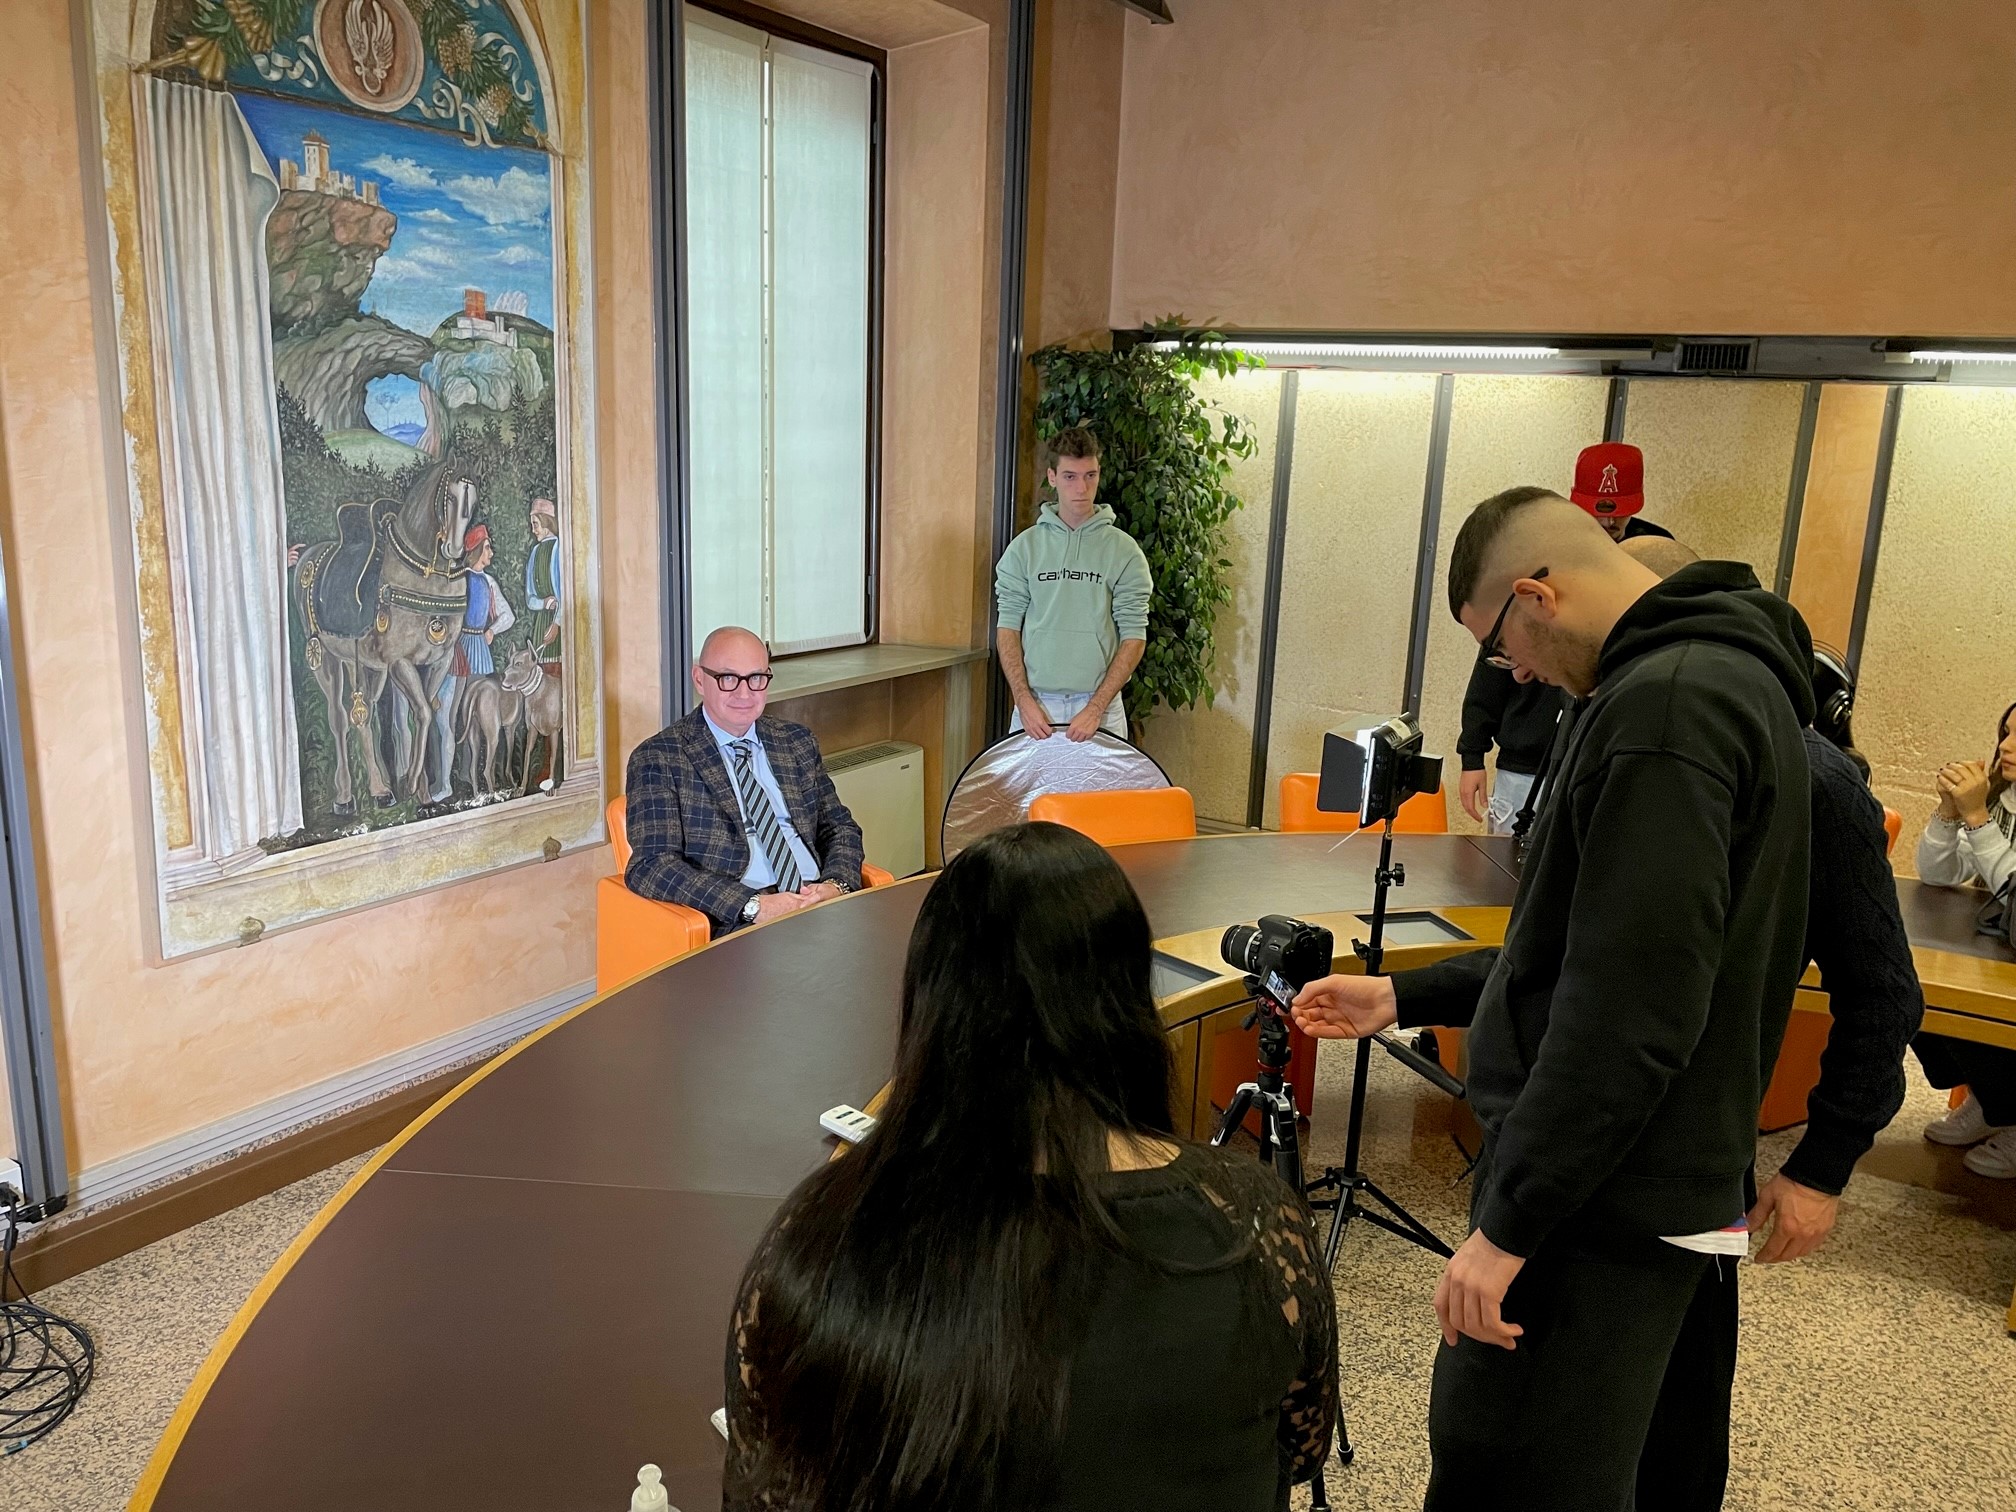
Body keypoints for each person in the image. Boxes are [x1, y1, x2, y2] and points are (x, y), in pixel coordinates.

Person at [1292, 488, 1812, 1511]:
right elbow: (1591, 951)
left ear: (1536, 596)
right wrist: (1403, 993)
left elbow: (1627, 1016)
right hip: (1655, 1183)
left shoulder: (1664, 710)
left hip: (1595, 1206)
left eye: (1501, 647)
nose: (1516, 673)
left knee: (1508, 1470)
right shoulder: (1732, 680)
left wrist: (1508, 1227)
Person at [721, 822, 1337, 1512]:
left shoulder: (817, 1237)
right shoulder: (1256, 1221)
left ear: (931, 1000)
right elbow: (1300, 1448)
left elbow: (759, 1488)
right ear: (1128, 999)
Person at [1619, 535, 1925, 1263]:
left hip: (1694, 1151)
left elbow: (1884, 995)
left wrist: (1821, 1167)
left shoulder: (1818, 782)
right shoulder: (1630, 730)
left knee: (1675, 1323)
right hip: (1590, 1132)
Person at [623, 626, 864, 936]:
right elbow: (651, 866)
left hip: (815, 901)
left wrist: (835, 885)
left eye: (756, 678)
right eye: (728, 679)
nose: (744, 693)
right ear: (699, 679)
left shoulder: (795, 741)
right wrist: (753, 906)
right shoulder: (660, 757)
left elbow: (839, 827)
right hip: (740, 918)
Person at [1911, 698, 2016, 1177]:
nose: (2006, 747)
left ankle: (2009, 1113)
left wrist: (1977, 819)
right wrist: (1948, 812)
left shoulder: (1989, 808)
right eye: (2005, 733)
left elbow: (2012, 888)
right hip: (1992, 941)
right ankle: (1989, 1099)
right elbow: (1938, 873)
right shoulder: (2001, 796)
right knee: (1912, 990)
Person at [995, 427, 1153, 741]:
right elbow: (1008, 628)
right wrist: (1023, 700)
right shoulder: (1024, 548)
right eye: (1070, 477)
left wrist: (1096, 708)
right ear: (1052, 477)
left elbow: (1134, 636)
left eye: (1090, 475)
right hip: (1035, 709)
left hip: (1100, 710)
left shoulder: (1124, 551)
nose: (1082, 488)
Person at [432, 524, 514, 802]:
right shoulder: (460, 579)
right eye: (487, 547)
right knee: (458, 713)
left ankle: (476, 772)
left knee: (481, 713)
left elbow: (508, 616)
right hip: (460, 649)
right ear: (477, 550)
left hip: (480, 649)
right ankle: (458, 776)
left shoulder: (489, 582)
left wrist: (492, 630)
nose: (491, 552)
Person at [1456, 652, 1565, 835]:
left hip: (1585, 766)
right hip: (1520, 772)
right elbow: (1488, 679)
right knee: (1506, 851)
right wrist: (1472, 758)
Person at [1571, 441, 1675, 542]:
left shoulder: (1659, 543)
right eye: (1602, 508)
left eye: (1621, 512)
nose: (1609, 522)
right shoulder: (1563, 539)